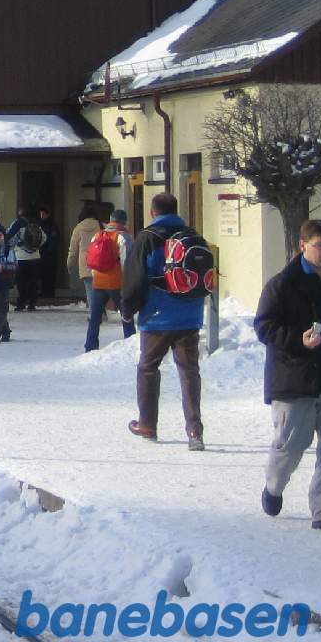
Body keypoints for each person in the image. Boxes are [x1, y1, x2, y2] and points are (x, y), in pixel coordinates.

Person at [255, 220, 321, 532]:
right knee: (291, 446)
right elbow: (264, 326)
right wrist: (298, 340)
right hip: (295, 380)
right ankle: (274, 486)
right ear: (302, 246)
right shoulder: (282, 284)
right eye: (319, 245)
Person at [123, 192, 206, 450]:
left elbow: (135, 279)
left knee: (148, 367)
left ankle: (147, 423)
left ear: (152, 212)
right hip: (190, 315)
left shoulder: (147, 237)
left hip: (157, 317)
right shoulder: (194, 235)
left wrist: (128, 308)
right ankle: (194, 430)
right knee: (189, 370)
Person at [84, 209, 134, 352]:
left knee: (95, 317)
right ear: (124, 222)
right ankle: (130, 344)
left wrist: (96, 276)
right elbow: (127, 262)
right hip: (117, 282)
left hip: (98, 281)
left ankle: (90, 346)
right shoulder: (123, 237)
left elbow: (92, 259)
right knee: (126, 315)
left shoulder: (98, 235)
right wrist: (128, 281)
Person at [6, 207, 45, 312]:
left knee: (21, 282)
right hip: (36, 257)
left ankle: (21, 303)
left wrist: (16, 245)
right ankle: (32, 303)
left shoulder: (18, 223)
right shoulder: (36, 223)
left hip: (21, 257)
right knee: (33, 281)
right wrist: (36, 247)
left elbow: (9, 237)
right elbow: (44, 237)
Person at [66, 205, 103, 310]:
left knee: (90, 290)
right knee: (100, 289)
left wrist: (69, 264)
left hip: (86, 263)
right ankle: (101, 311)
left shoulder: (78, 228)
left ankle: (94, 314)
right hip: (100, 262)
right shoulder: (100, 225)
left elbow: (72, 249)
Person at [37, 207, 61, 298]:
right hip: (40, 253)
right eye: (41, 214)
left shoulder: (52, 225)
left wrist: (49, 250)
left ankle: (49, 292)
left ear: (48, 214)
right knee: (41, 273)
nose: (42, 215)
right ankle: (42, 291)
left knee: (50, 274)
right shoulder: (39, 224)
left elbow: (55, 239)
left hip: (50, 255)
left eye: (43, 214)